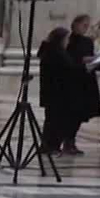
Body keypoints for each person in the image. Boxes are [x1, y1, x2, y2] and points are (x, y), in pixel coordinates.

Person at [63, 14, 100, 155]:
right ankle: (66, 141)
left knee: (80, 114)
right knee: (70, 113)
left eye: (87, 25)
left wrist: (95, 60)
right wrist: (82, 60)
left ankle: (71, 141)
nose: (86, 28)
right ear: (75, 24)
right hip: (72, 81)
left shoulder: (88, 41)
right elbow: (68, 58)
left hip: (85, 80)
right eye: (83, 25)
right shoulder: (68, 40)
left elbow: (90, 56)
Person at [36, 26, 74, 154]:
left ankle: (50, 144)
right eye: (67, 39)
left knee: (52, 120)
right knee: (55, 121)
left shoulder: (50, 51)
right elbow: (65, 70)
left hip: (54, 92)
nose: (68, 41)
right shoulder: (55, 53)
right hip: (57, 92)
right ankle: (51, 145)